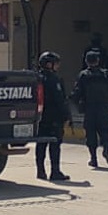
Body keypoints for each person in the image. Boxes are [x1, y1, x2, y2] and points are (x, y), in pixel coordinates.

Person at [71, 50, 108, 167]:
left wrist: (74, 103)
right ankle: (106, 149)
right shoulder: (105, 75)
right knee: (106, 131)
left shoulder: (84, 75)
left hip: (90, 109)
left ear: (86, 61)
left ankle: (93, 158)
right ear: (98, 61)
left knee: (90, 134)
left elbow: (77, 92)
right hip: (104, 108)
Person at [34, 51, 70, 182]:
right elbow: (60, 100)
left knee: (41, 144)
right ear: (49, 64)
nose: (57, 66)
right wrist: (66, 115)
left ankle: (40, 171)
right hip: (54, 117)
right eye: (56, 64)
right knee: (54, 144)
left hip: (40, 117)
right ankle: (55, 172)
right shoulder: (54, 80)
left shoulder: (36, 78)